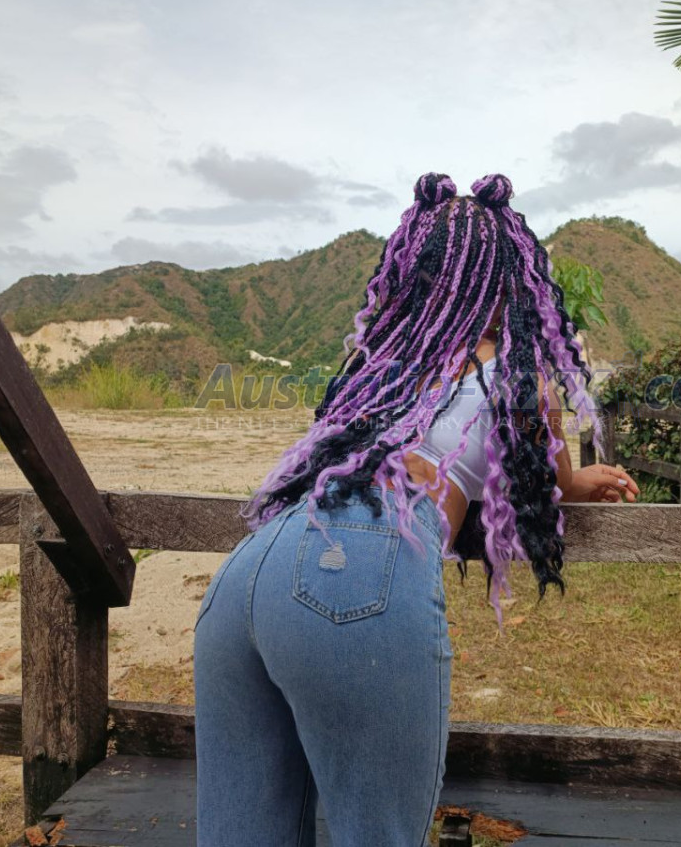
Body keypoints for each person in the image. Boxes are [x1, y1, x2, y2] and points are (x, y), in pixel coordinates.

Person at [192, 172, 638, 846]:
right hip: (357, 576)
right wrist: (578, 485)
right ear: (510, 281)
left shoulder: (379, 371)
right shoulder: (520, 379)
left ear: (413, 275)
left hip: (246, 575)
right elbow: (546, 478)